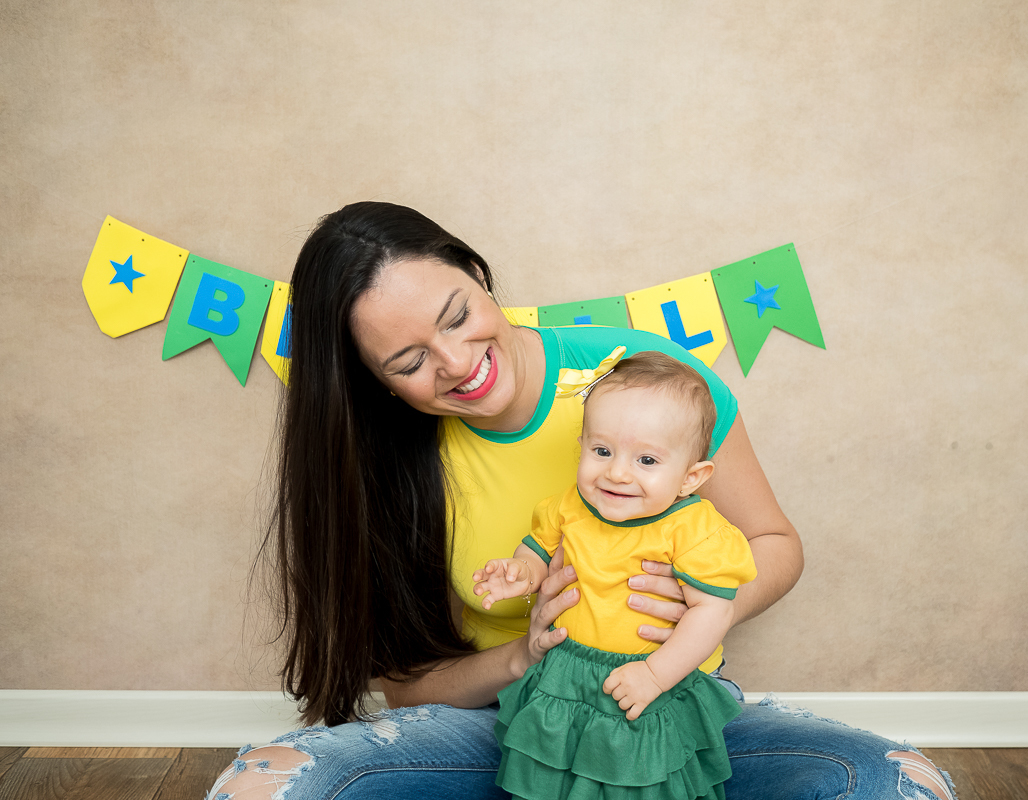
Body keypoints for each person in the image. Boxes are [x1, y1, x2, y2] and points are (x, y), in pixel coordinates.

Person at [206, 201, 955, 800]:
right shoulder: (387, 461)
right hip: (504, 733)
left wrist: (698, 615)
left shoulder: (648, 382)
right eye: (409, 361)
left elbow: (774, 544)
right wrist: (525, 653)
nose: (458, 364)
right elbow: (407, 687)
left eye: (458, 316)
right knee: (270, 787)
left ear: (478, 274)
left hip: (667, 720)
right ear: (377, 383)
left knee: (895, 785)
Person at [473, 349, 758, 799]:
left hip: (646, 679)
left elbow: (713, 612)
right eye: (602, 451)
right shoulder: (569, 506)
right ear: (582, 446)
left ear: (690, 478)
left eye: (647, 461)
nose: (618, 472)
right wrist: (520, 571)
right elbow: (537, 551)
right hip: (565, 675)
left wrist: (657, 674)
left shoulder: (696, 531)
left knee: (643, 781)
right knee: (549, 775)